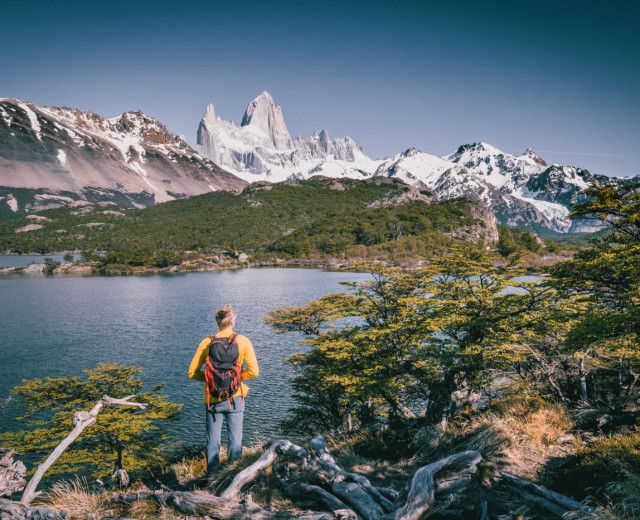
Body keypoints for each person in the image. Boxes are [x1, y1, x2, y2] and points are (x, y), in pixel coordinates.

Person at [188, 305, 259, 475]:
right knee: (235, 440)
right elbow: (254, 371)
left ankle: (212, 478)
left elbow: (192, 372)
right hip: (236, 397)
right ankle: (233, 476)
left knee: (213, 441)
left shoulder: (207, 342)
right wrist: (237, 377)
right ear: (232, 321)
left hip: (212, 399)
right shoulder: (243, 341)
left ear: (218, 322)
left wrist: (209, 380)